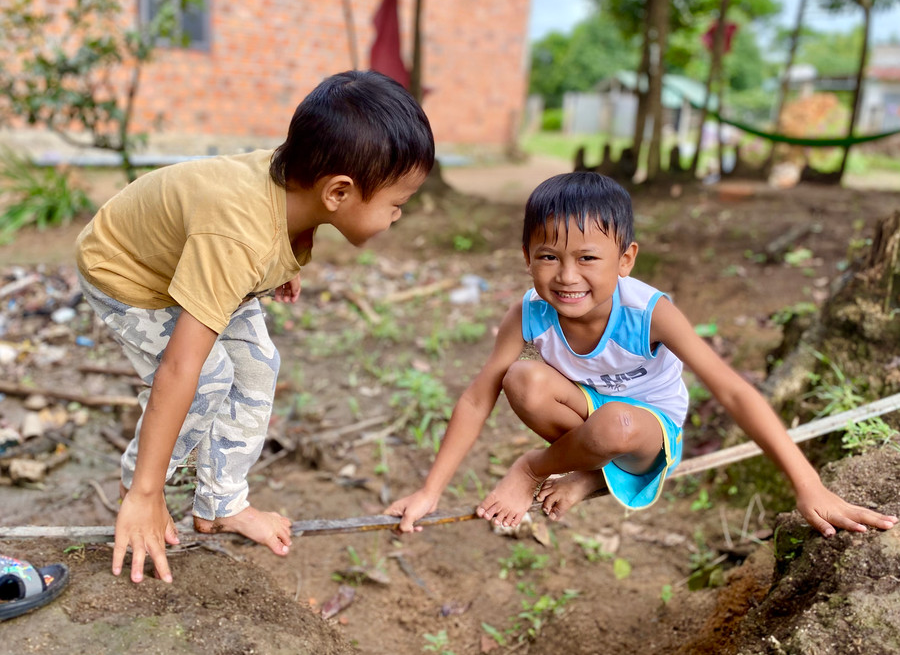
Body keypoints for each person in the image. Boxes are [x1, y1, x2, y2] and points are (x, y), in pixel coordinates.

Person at [387, 172, 898, 537]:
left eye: (588, 257)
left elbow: (733, 392)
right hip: (587, 416)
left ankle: (533, 469)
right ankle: (590, 471)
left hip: (647, 431)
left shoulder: (650, 314)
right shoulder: (528, 313)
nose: (567, 276)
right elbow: (478, 397)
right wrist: (430, 490)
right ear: (527, 258)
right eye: (548, 256)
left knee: (617, 425)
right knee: (522, 379)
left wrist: (809, 485)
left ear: (625, 259)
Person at [77, 70, 434, 584]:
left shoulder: (294, 188)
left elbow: (264, 232)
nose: (397, 216)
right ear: (338, 191)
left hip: (202, 261)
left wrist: (278, 265)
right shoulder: (238, 237)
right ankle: (140, 492)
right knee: (207, 376)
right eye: (396, 204)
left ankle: (221, 502)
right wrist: (145, 492)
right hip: (127, 270)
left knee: (257, 364)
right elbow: (180, 366)